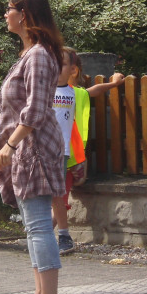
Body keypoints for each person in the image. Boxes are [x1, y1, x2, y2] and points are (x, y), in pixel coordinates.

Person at [0, 0, 65, 294]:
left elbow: (35, 109)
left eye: (9, 9)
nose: (5, 14)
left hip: (34, 148)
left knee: (38, 226)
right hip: (27, 149)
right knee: (32, 225)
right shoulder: (29, 54)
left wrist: (10, 144)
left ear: (24, 14)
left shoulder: (38, 54)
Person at [52, 47, 125, 255]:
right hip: (51, 155)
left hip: (68, 155)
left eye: (61, 64)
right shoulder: (45, 91)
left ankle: (57, 234)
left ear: (73, 70)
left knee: (60, 196)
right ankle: (45, 232)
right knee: (55, 196)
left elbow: (94, 91)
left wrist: (114, 83)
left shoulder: (75, 94)